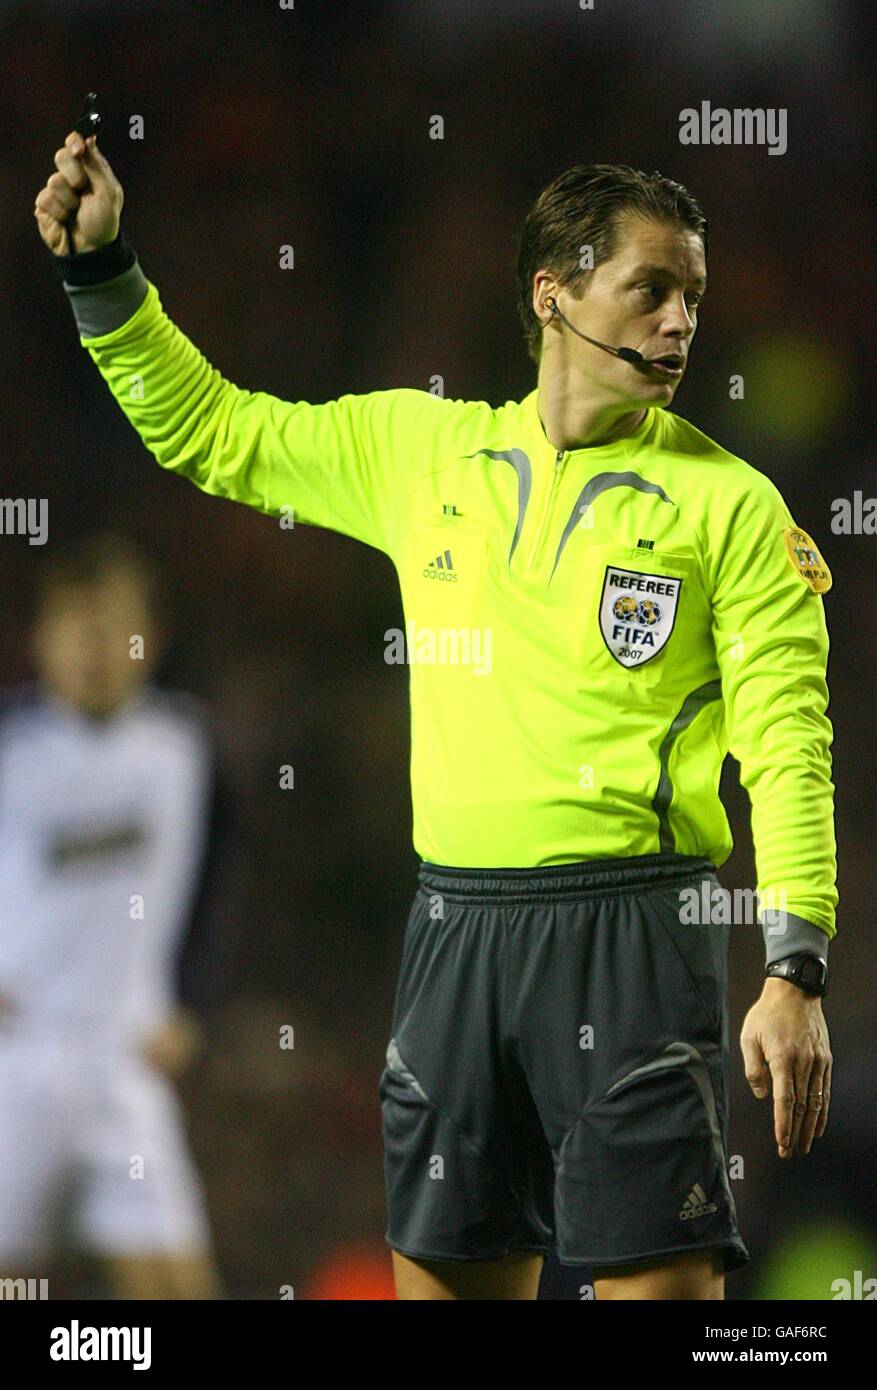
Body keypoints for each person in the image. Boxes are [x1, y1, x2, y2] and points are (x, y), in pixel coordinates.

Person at [34, 136, 836, 1301]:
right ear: (553, 294)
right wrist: (102, 274)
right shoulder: (424, 450)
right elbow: (214, 431)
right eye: (650, 289)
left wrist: (793, 965)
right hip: (456, 933)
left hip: (631, 941)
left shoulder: (732, 506)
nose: (678, 323)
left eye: (693, 298)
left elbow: (786, 741)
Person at [0, 531, 235, 1298]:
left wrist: (194, 1006)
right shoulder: (11, 747)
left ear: (151, 636)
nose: (95, 647)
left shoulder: (188, 748)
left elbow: (219, 888)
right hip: (19, 1054)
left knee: (175, 1285)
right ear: (41, 636)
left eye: (114, 624)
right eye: (76, 624)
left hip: (126, 1056)